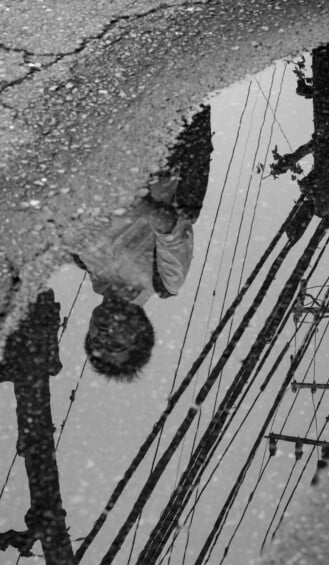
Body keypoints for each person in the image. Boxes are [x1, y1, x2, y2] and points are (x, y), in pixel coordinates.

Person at [71, 106, 212, 381]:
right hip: (163, 141)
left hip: (103, 133)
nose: (101, 335)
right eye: (113, 344)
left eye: (95, 342)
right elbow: (169, 225)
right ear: (140, 333)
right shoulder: (165, 282)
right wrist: (126, 196)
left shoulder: (83, 261)